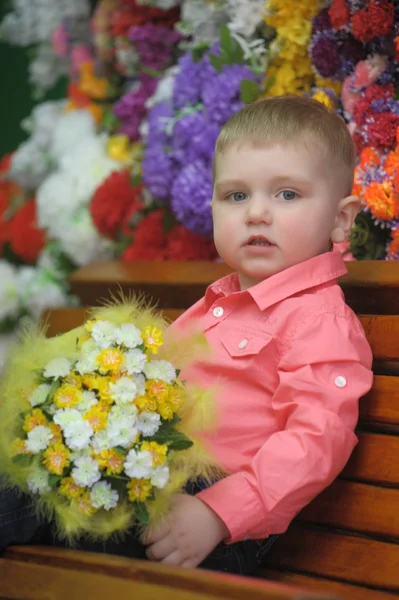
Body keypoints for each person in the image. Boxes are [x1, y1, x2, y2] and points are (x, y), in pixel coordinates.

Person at [0, 96, 373, 576]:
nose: (257, 213)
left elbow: (317, 438)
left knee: (46, 516)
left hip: (209, 513)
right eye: (236, 196)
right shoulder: (218, 304)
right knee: (27, 481)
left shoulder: (319, 320)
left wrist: (221, 512)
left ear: (342, 219)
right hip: (152, 477)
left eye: (287, 195)